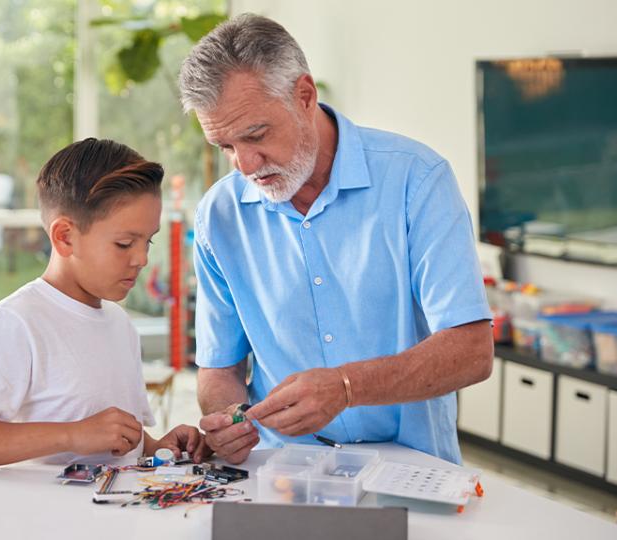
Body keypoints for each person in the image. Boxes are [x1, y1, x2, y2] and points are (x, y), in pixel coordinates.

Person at [178, 14, 493, 465]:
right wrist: (229, 420)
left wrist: (347, 387)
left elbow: (471, 351)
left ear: (304, 95)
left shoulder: (416, 181)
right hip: (281, 468)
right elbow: (219, 367)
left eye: (255, 135)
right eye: (224, 147)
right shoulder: (219, 215)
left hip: (411, 466)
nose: (245, 164)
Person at [0, 138, 208, 468]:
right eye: (124, 243)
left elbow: (112, 436)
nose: (142, 258)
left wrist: (157, 446)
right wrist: (71, 435)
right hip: (40, 518)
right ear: (65, 237)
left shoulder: (120, 325)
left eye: (148, 240)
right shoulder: (16, 322)